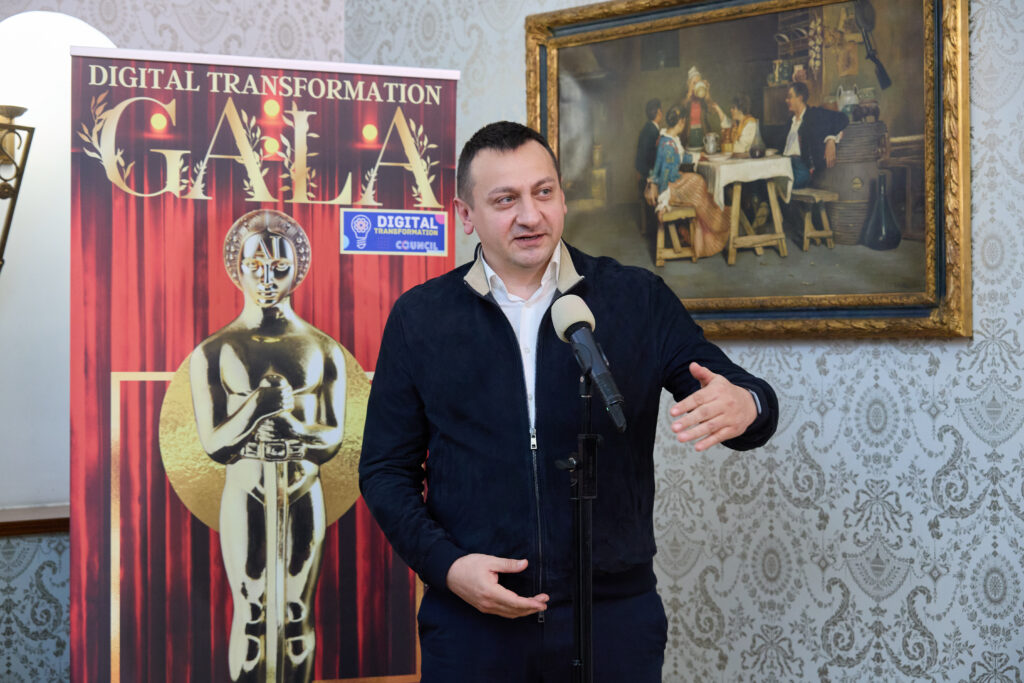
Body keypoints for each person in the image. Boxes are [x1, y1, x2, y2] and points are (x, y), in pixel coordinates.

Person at [359, 122, 778, 683]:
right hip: (472, 624)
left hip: (613, 619)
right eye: (505, 200)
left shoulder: (636, 297)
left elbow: (741, 394)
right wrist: (448, 567)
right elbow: (385, 470)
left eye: (543, 192)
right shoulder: (421, 317)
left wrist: (748, 405)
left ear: (562, 196)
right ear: (466, 215)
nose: (530, 215)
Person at [190, 209, 347, 683]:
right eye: (255, 266)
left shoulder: (323, 349)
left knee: (297, 612)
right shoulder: (214, 351)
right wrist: (257, 407)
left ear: (297, 270)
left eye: (279, 267)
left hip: (302, 487)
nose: (266, 278)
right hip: (246, 485)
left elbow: (332, 437)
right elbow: (214, 444)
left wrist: (296, 431)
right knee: (252, 611)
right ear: (237, 268)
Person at [647, 107, 731, 258]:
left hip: (674, 181)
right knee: (698, 182)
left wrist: (698, 157)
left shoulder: (670, 139)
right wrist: (663, 202)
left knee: (699, 182)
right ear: (681, 121)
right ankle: (717, 224)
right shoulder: (668, 145)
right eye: (684, 121)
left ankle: (714, 220)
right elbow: (664, 175)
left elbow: (682, 157)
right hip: (670, 188)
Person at [783, 80, 849, 188]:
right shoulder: (790, 122)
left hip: (802, 168)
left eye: (790, 97)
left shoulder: (814, 114)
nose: (786, 100)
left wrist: (831, 139)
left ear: (800, 98)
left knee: (783, 185)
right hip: (785, 165)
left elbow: (842, 118)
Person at [680, 66, 730, 149]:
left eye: (698, 82)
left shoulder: (702, 97)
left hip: (703, 131)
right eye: (694, 83)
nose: (696, 85)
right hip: (689, 133)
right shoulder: (685, 98)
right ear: (689, 84)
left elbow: (712, 112)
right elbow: (680, 109)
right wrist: (689, 94)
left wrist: (707, 93)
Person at [635, 98, 663, 235]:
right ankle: (660, 230)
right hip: (647, 176)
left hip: (645, 172)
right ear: (658, 112)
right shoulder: (652, 131)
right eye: (660, 110)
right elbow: (651, 160)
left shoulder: (648, 129)